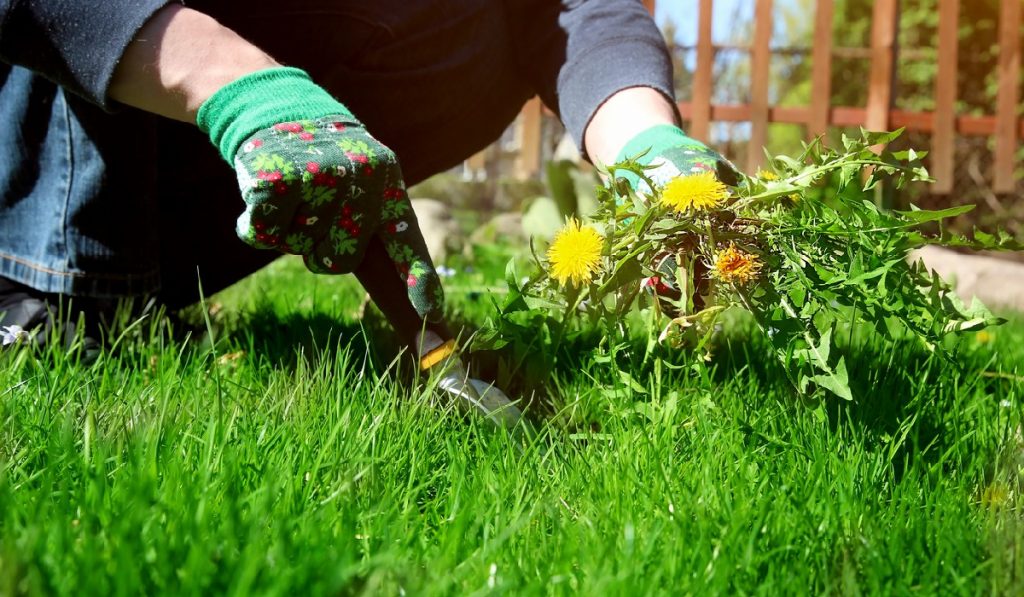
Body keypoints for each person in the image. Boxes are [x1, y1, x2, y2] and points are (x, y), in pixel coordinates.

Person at [0, 0, 734, 419]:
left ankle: (135, 293)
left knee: (475, 29)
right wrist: (243, 89)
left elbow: (573, 10)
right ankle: (51, 290)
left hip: (164, 220)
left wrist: (652, 156)